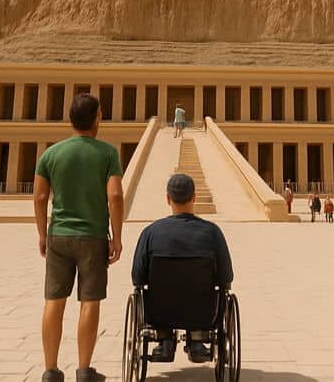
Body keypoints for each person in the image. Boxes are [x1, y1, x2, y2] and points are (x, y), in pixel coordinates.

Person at [34, 93, 124, 382]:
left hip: (58, 234)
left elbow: (39, 197)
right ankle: (84, 370)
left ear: (70, 119)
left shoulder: (51, 154)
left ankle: (50, 370)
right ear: (97, 118)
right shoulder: (108, 153)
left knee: (54, 300)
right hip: (93, 236)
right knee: (90, 301)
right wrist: (117, 237)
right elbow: (115, 195)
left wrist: (42, 234)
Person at [132, 173, 233, 364]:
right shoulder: (212, 232)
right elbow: (226, 277)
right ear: (194, 197)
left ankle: (164, 338)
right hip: (203, 313)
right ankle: (197, 338)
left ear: (168, 198)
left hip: (159, 313)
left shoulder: (151, 232)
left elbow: (137, 277)